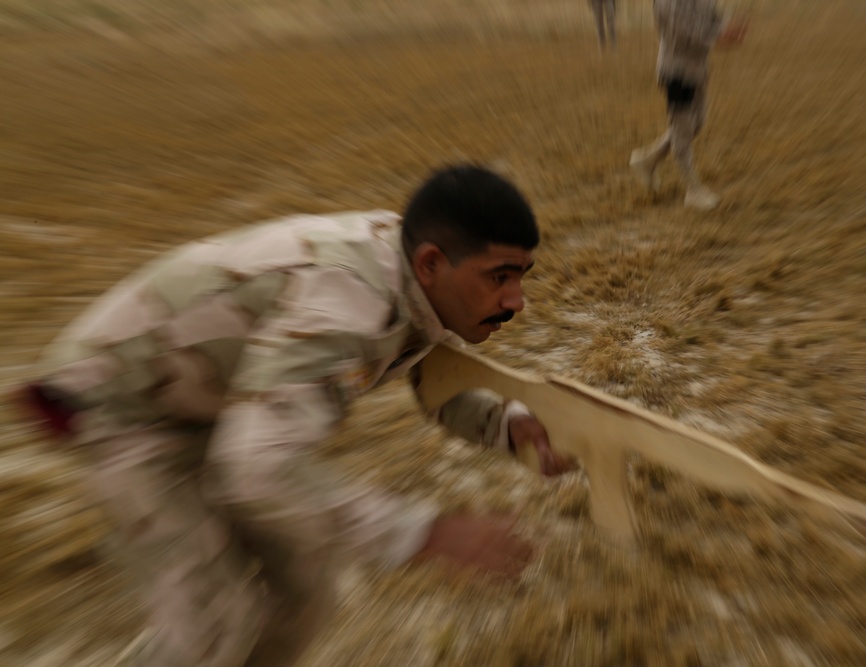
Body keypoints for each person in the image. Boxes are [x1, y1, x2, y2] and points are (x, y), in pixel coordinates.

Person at [21, 165, 574, 667]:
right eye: (500, 276)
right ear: (431, 262)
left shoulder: (415, 275)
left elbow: (432, 377)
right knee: (214, 621)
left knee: (304, 587)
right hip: (124, 408)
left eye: (520, 275)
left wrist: (507, 426)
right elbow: (258, 469)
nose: (516, 300)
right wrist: (422, 533)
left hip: (210, 405)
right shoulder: (344, 299)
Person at [629, 0, 747, 210]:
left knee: (697, 123)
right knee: (682, 131)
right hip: (676, 72)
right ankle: (693, 191)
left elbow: (714, 17)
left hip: (698, 70)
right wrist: (719, 37)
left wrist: (728, 26)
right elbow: (680, 34)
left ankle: (647, 161)